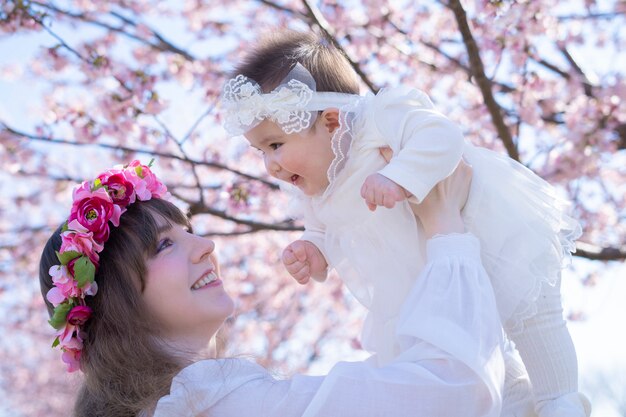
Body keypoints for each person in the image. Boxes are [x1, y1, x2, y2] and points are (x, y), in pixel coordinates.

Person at [220, 30, 591, 417]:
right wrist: (314, 249)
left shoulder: (380, 118)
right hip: (435, 276)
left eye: (276, 145)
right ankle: (516, 407)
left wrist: (401, 175)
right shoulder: (318, 188)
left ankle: (559, 401)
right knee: (475, 351)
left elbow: (440, 134)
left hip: (496, 236)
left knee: (533, 318)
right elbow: (323, 227)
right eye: (260, 151)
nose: (270, 165)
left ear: (331, 121)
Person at [39, 158, 506, 416]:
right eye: (164, 245)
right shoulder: (214, 404)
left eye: (188, 230)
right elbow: (453, 394)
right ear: (115, 304)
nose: (206, 245)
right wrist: (446, 233)